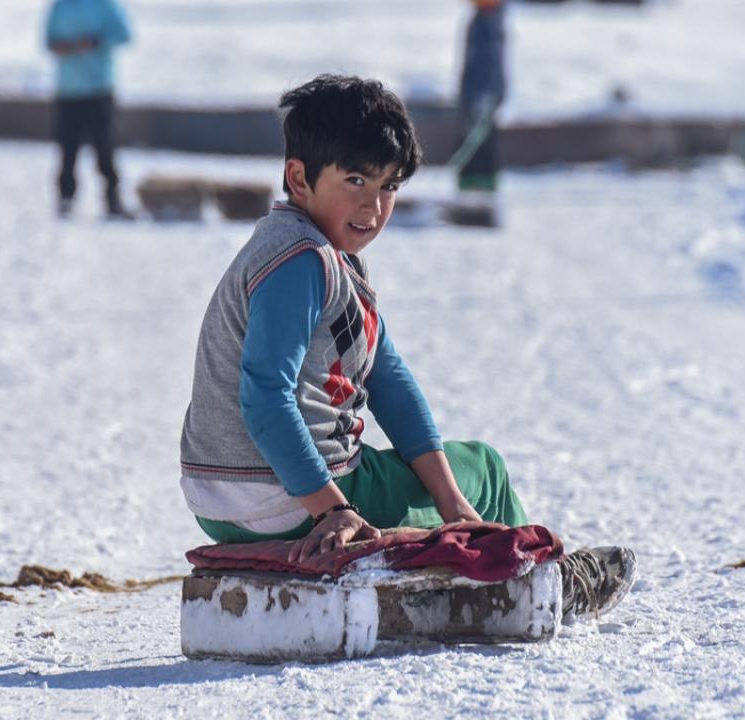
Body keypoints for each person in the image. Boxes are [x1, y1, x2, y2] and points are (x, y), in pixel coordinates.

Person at [178, 74, 635, 622]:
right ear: (298, 178)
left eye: (389, 186)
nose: (373, 207)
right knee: (484, 469)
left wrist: (448, 504)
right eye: (355, 180)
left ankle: (479, 563)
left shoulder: (297, 249)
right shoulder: (303, 262)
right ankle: (540, 584)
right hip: (292, 498)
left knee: (449, 483)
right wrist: (335, 510)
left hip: (215, 498)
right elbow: (263, 397)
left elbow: (388, 381)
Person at [43, 0, 133, 218]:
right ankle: (66, 198)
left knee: (104, 146)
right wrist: (62, 47)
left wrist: (95, 42)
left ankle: (112, 199)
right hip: (69, 89)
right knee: (67, 148)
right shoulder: (60, 6)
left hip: (98, 87)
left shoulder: (105, 4)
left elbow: (124, 34)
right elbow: (48, 42)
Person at [456, 0, 506, 192]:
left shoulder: (490, 22)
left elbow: (490, 63)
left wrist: (486, 95)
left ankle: (480, 193)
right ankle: (470, 190)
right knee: (474, 144)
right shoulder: (482, 19)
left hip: (481, 98)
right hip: (474, 97)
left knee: (480, 146)